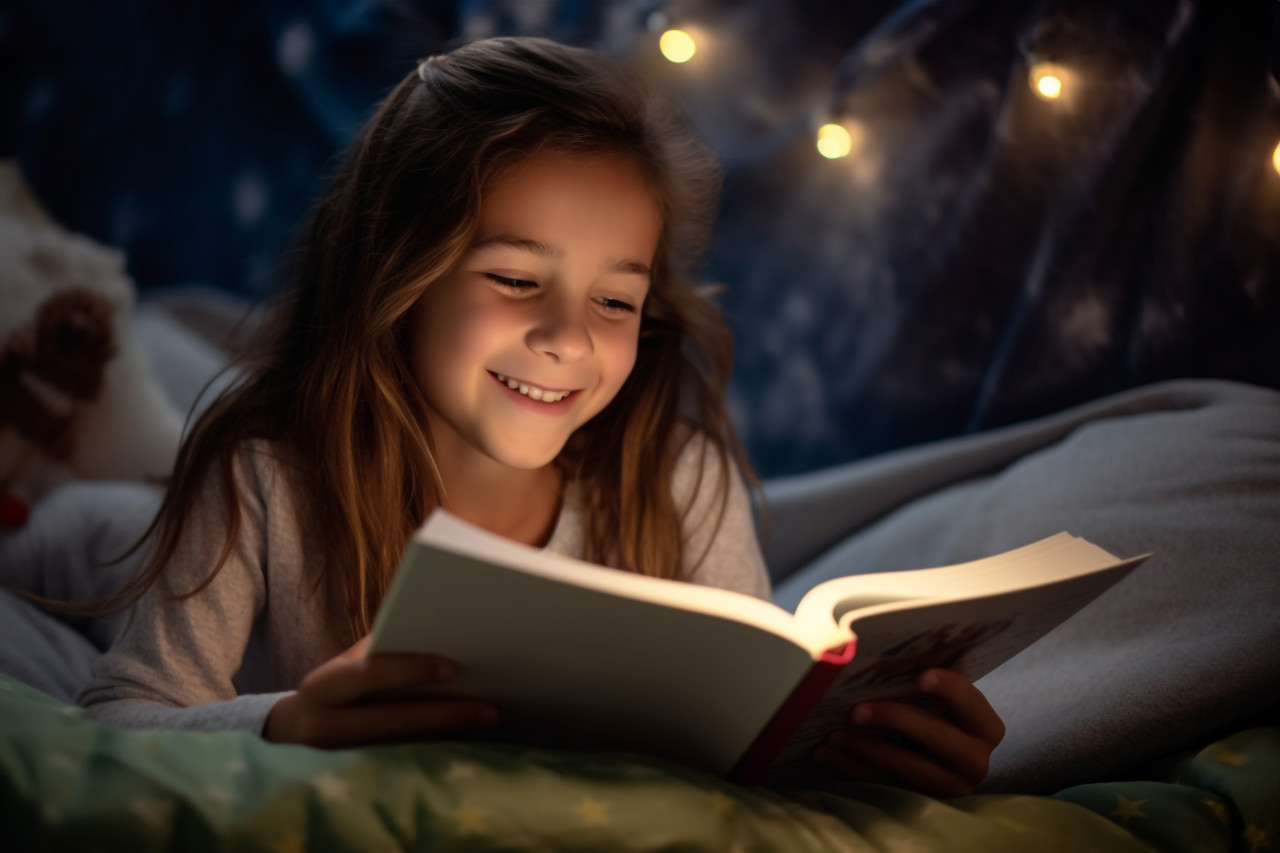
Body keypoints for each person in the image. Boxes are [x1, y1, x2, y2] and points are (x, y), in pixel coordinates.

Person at [74, 37, 1002, 797]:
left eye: (614, 302)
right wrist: (286, 721)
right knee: (75, 533)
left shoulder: (678, 478)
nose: (567, 338)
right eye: (517, 280)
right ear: (396, 275)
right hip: (116, 523)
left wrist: (896, 759)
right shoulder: (263, 469)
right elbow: (119, 715)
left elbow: (749, 733)